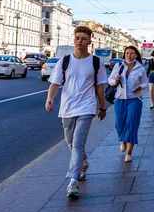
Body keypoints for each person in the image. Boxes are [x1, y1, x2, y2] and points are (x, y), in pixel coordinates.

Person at [45, 26, 108, 199]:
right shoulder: (64, 61)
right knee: (71, 143)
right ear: (74, 40)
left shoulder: (96, 62)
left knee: (78, 143)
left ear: (89, 41)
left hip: (87, 107)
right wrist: (50, 99)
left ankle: (73, 181)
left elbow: (100, 87)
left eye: (84, 38)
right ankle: (83, 162)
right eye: (77, 38)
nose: (80, 41)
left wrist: (102, 107)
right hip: (67, 107)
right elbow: (55, 83)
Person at [108, 46, 148, 162]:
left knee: (132, 123)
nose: (129, 55)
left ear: (136, 55)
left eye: (131, 53)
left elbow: (145, 82)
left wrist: (140, 87)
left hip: (134, 99)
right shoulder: (118, 66)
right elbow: (109, 80)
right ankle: (123, 140)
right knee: (119, 124)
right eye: (127, 53)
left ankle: (129, 152)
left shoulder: (140, 68)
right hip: (120, 98)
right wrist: (115, 80)